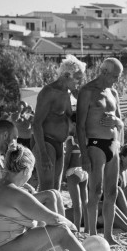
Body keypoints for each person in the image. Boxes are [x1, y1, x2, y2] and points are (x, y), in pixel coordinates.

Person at [0, 144, 99, 251]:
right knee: (61, 231)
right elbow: (53, 219)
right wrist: (73, 229)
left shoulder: (0, 185)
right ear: (26, 171)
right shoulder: (15, 193)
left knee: (58, 227)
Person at [77, 58, 125, 244]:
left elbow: (121, 122)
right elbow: (80, 126)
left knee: (112, 192)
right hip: (95, 144)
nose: (117, 80)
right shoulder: (87, 92)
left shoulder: (113, 92)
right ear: (104, 71)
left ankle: (108, 235)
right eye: (115, 76)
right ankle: (91, 235)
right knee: (95, 191)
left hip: (113, 145)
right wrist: (84, 154)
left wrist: (116, 122)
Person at [0, 120, 65, 215]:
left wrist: (21, 188)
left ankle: (65, 228)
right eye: (15, 138)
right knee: (50, 196)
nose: (16, 143)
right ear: (5, 136)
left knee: (55, 194)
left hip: (8, 204)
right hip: (2, 212)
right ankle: (60, 228)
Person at [32, 54, 86, 191]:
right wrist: (42, 153)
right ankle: (39, 212)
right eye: (78, 79)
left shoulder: (67, 93)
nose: (79, 83)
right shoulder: (49, 92)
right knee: (46, 188)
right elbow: (36, 123)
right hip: (46, 142)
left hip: (59, 143)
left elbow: (69, 117)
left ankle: (51, 213)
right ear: (67, 75)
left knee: (55, 190)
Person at [64, 116, 88, 230]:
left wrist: (63, 172)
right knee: (85, 202)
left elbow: (68, 158)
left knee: (76, 205)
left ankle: (77, 228)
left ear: (74, 124)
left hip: (73, 171)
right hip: (84, 171)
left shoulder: (70, 140)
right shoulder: (85, 139)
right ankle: (88, 228)